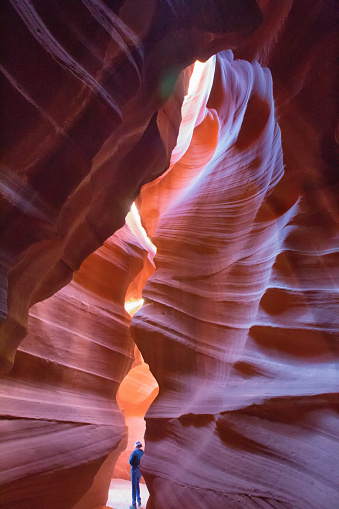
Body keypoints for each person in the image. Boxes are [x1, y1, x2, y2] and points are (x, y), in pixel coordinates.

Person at [129, 441, 144, 509]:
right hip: (140, 470)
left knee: (134, 486)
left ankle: (134, 503)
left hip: (134, 470)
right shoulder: (142, 452)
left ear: (135, 446)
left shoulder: (134, 452)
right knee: (137, 484)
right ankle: (139, 500)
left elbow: (130, 461)